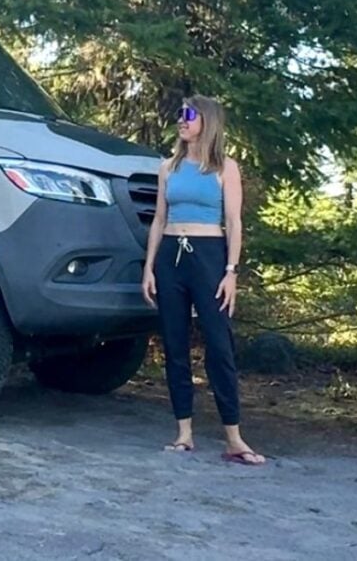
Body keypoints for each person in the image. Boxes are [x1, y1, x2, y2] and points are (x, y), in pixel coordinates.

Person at [141, 95, 265, 466]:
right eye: (179, 114)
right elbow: (159, 219)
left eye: (189, 115)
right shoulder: (168, 167)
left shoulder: (225, 167)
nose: (181, 120)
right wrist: (149, 267)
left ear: (206, 121)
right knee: (174, 345)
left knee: (219, 344)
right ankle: (184, 433)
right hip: (171, 257)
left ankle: (234, 438)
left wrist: (231, 271)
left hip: (209, 257)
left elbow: (234, 222)